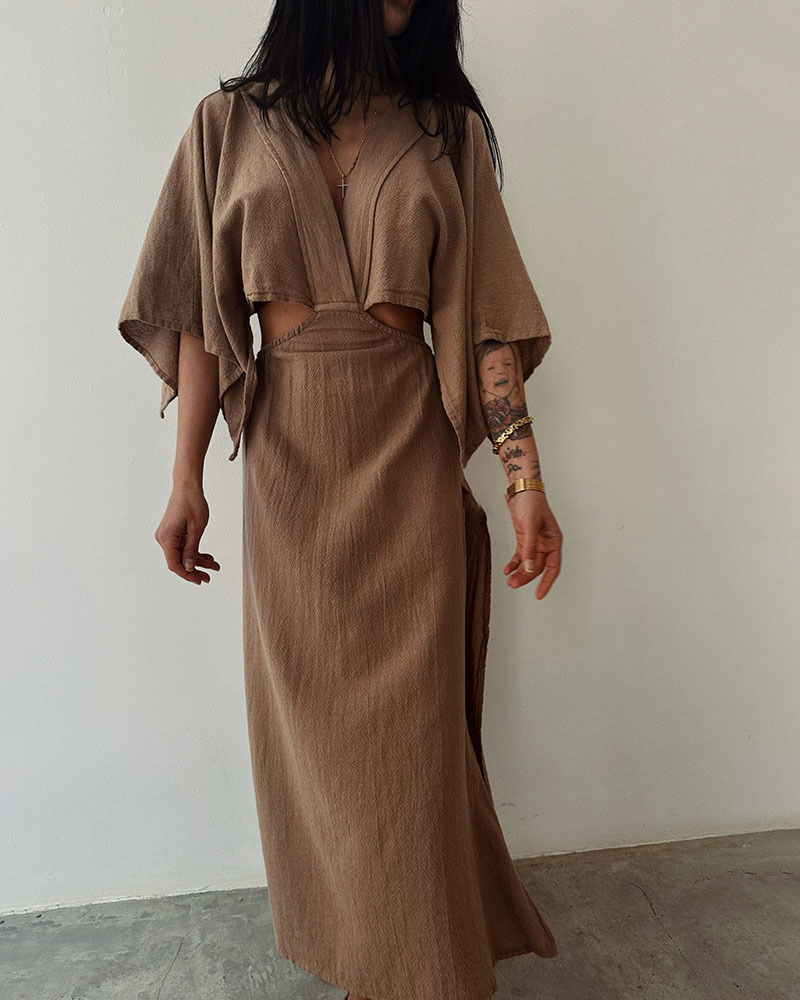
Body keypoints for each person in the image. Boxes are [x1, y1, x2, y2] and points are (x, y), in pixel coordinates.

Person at [117, 0, 564, 997]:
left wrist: (524, 481)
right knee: (322, 754)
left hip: (407, 457)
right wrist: (185, 481)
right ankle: (374, 960)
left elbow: (488, 325)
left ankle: (420, 972)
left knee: (411, 750)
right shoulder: (226, 125)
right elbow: (199, 318)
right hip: (289, 469)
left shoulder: (442, 130)